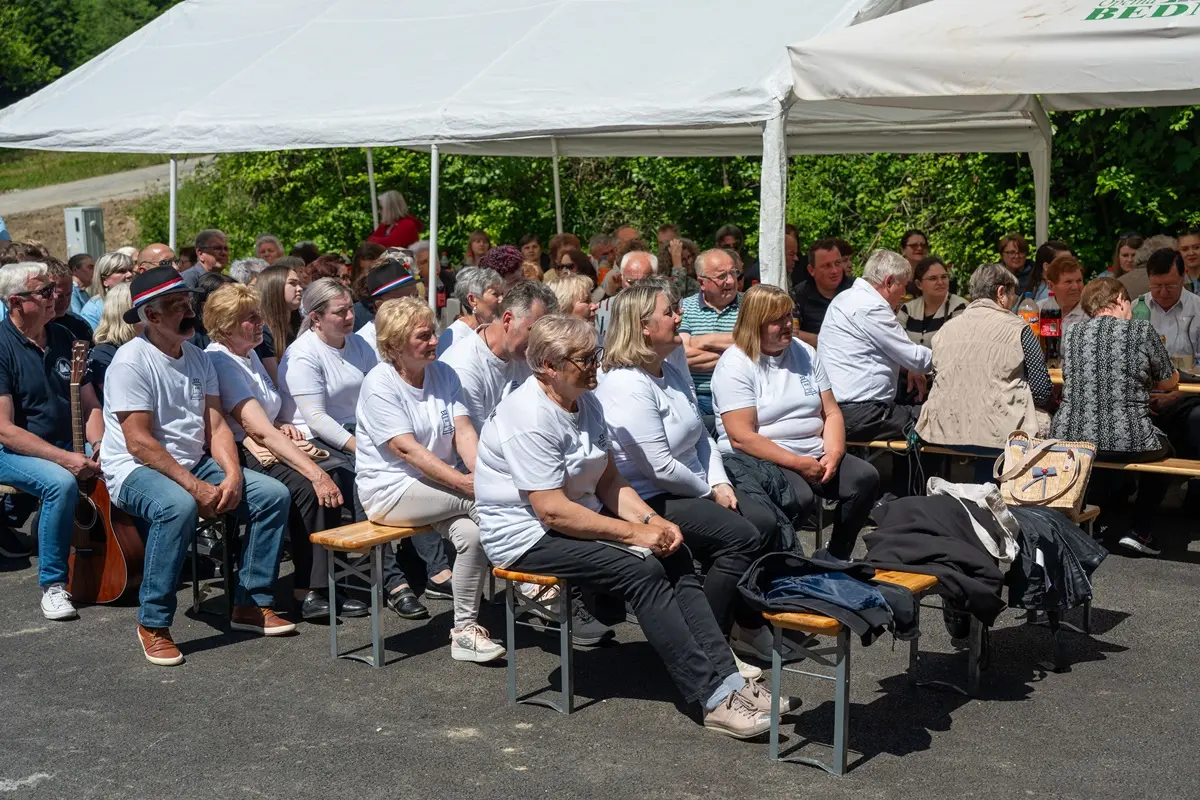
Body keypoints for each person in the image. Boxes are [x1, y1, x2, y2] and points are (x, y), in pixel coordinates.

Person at [474, 315, 776, 738]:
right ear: (547, 365)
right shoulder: (527, 415)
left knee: (676, 554)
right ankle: (711, 697)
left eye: (594, 353)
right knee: (642, 570)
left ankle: (730, 679)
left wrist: (655, 523)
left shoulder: (586, 399)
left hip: (569, 520)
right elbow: (552, 512)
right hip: (525, 536)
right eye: (583, 358)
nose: (595, 364)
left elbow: (610, 480)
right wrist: (636, 534)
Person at [100, 266, 295, 666]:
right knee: (177, 506)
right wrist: (194, 486)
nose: (188, 312)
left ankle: (250, 603)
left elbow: (216, 422)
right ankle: (153, 623)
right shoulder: (130, 362)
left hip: (190, 463)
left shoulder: (197, 356)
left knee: (272, 495)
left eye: (187, 302)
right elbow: (138, 442)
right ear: (150, 316)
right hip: (134, 470)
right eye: (175, 306)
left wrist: (234, 475)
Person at [594, 284, 767, 673]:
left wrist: (721, 484)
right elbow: (659, 467)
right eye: (669, 312)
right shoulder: (626, 382)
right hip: (643, 499)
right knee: (742, 536)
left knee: (764, 520)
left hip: (686, 484)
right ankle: (712, 645)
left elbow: (701, 436)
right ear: (643, 327)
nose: (679, 317)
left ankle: (745, 625)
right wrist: (709, 492)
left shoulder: (671, 363)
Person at [279, 277, 447, 615]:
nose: (349, 316)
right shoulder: (303, 355)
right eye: (339, 312)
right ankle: (393, 581)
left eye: (348, 309)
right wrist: (361, 445)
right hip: (319, 438)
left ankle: (435, 569)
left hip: (363, 429)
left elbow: (380, 389)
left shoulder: (357, 344)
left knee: (411, 472)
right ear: (316, 318)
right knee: (365, 479)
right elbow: (316, 419)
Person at [355, 297, 504, 662]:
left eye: (433, 333)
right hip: (388, 490)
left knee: (471, 534)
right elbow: (407, 451)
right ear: (394, 345)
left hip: (435, 488)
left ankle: (464, 632)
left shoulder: (444, 373)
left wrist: (482, 475)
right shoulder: (379, 383)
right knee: (481, 500)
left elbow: (464, 433)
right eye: (423, 336)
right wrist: (466, 485)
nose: (435, 341)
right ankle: (535, 580)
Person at [202, 284, 355, 621]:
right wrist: (313, 473)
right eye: (250, 318)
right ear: (226, 326)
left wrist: (286, 423)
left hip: (269, 439)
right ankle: (309, 590)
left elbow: (273, 412)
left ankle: (331, 579)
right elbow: (257, 428)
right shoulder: (221, 360)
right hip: (242, 449)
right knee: (310, 486)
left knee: (339, 470)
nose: (261, 323)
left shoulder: (249, 352)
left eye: (259, 316)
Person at [713, 284, 879, 561]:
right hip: (760, 458)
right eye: (777, 320)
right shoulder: (736, 364)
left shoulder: (804, 352)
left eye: (789, 316)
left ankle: (835, 557)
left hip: (813, 453)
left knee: (864, 478)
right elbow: (741, 437)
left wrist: (834, 455)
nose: (787, 324)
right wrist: (798, 463)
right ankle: (781, 563)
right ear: (755, 323)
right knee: (798, 496)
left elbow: (832, 413)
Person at [0, 262, 100, 620]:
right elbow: (5, 430)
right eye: (43, 292)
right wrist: (65, 458)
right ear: (15, 302)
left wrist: (100, 444)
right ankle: (54, 585)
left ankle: (126, 562)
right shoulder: (1, 346)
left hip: (64, 441)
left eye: (53, 290)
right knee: (59, 483)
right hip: (11, 449)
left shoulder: (64, 338)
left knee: (123, 463)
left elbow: (90, 405)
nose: (54, 296)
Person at [1053, 277, 1177, 556]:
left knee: (1100, 451)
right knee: (1169, 452)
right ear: (1120, 300)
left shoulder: (1072, 333)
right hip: (1130, 439)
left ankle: (1099, 523)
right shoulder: (1141, 330)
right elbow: (1169, 382)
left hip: (1073, 437)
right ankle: (1141, 530)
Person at [917, 264, 1054, 454]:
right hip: (1002, 436)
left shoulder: (945, 330)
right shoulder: (1020, 329)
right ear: (1001, 292)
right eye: (1013, 294)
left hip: (943, 432)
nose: (1014, 301)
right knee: (1045, 420)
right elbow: (1041, 392)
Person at [818, 249, 933, 442]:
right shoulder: (870, 306)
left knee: (919, 404)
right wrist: (951, 359)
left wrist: (910, 367)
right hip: (861, 413)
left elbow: (898, 353)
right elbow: (916, 358)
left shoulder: (845, 298)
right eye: (903, 286)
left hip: (840, 408)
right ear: (888, 282)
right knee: (938, 418)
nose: (904, 294)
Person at [439, 280, 558, 432]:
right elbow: (473, 443)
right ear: (508, 320)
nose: (540, 341)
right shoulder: (464, 367)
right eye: (534, 330)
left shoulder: (523, 354)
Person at [1141, 248, 1200, 471]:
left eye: (1170, 286)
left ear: (1183, 278)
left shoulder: (1197, 309)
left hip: (1189, 395)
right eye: (1157, 286)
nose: (1163, 292)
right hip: (1145, 396)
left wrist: (1180, 393)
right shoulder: (1139, 309)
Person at [680, 249, 742, 418]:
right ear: (702, 282)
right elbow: (684, 357)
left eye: (733, 273)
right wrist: (739, 355)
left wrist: (705, 340)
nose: (730, 281)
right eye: (722, 276)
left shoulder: (750, 305)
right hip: (697, 399)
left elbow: (757, 342)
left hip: (741, 395)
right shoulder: (684, 307)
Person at [791, 238, 854, 347]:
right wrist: (820, 340)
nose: (834, 271)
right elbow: (790, 332)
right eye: (827, 266)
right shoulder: (798, 295)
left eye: (838, 263)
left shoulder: (856, 290)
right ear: (811, 270)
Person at [351, 260, 420, 359]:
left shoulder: (424, 333)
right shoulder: (363, 344)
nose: (415, 303)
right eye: (405, 299)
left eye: (415, 296)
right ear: (380, 305)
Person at [897, 256, 967, 346]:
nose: (940, 282)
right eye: (933, 278)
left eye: (944, 277)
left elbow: (957, 346)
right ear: (919, 284)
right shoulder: (908, 309)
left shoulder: (960, 307)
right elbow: (897, 344)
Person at [435, 266, 504, 357]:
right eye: (495, 294)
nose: (501, 299)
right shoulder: (455, 338)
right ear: (472, 300)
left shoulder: (494, 328)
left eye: (502, 294)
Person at [255, 264, 304, 384]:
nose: (300, 288)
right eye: (292, 283)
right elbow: (277, 382)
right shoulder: (263, 331)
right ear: (274, 287)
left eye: (299, 283)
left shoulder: (299, 325)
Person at [595, 251, 657, 342]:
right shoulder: (603, 309)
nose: (636, 288)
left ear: (655, 278)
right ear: (621, 277)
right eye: (631, 282)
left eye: (643, 282)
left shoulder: (666, 310)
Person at [44, 257, 94, 344]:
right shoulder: (31, 328)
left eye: (68, 294)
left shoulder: (79, 326)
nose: (65, 301)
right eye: (59, 296)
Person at [79, 251, 134, 329]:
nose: (130, 275)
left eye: (131, 270)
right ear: (104, 280)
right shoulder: (93, 310)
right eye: (121, 271)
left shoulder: (141, 301)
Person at [1040, 253, 1088, 331]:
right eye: (1068, 282)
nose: (1075, 287)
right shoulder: (1039, 310)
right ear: (1051, 286)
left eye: (1079, 281)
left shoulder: (1091, 313)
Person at [1121, 234, 1176, 299]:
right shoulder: (1179, 281)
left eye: (1133, 255)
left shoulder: (1117, 284)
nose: (1130, 260)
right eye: (1125, 255)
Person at [1178, 227, 1200, 294]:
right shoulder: (1175, 280)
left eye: (1196, 247)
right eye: (1185, 249)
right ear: (1179, 251)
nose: (1191, 253)